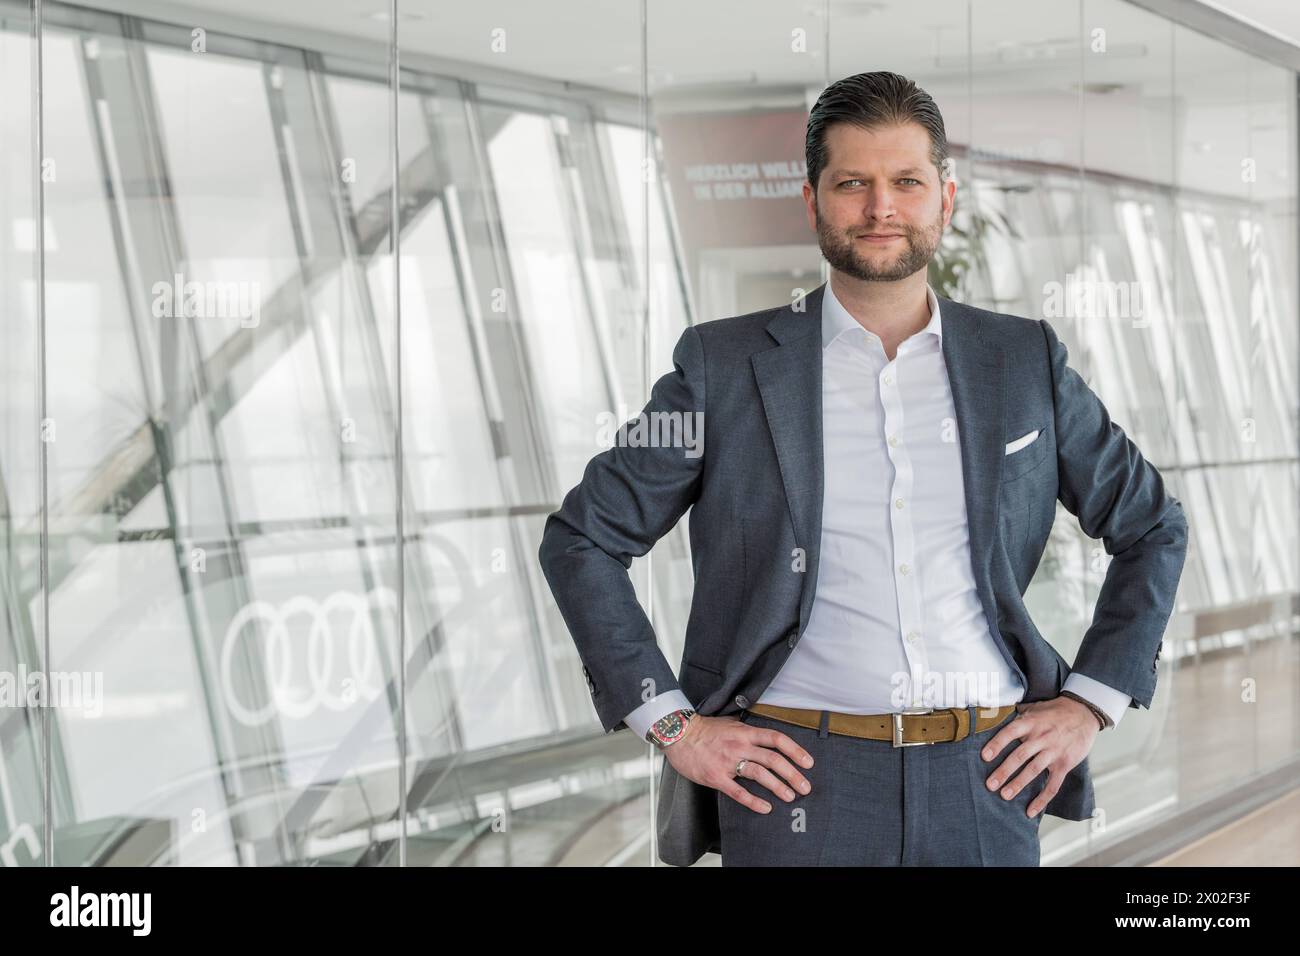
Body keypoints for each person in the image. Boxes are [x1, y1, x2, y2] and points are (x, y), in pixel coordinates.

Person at [537, 71, 1188, 866]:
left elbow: (1152, 525)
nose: (881, 208)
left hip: (987, 780)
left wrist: (1091, 702)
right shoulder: (724, 367)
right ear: (813, 203)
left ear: (944, 200)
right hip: (795, 789)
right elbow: (583, 541)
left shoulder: (1022, 363)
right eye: (853, 184)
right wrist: (673, 724)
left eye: (906, 182)